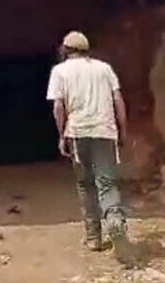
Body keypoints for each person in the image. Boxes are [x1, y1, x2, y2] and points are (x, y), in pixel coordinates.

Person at [46, 31, 132, 260]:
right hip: (105, 131)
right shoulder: (104, 68)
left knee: (85, 184)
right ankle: (114, 220)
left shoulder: (59, 71)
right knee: (107, 182)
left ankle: (94, 236)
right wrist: (122, 131)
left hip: (78, 133)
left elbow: (58, 107)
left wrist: (62, 134)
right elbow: (118, 101)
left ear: (65, 50)